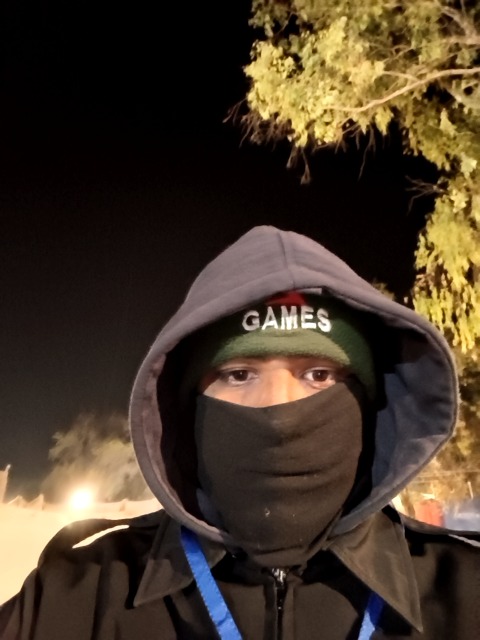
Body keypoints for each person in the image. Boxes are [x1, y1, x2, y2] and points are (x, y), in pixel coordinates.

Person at [1, 225, 479, 640]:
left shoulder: (465, 591)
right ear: (188, 407)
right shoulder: (77, 597)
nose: (279, 409)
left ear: (370, 404)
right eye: (239, 374)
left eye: (318, 375)